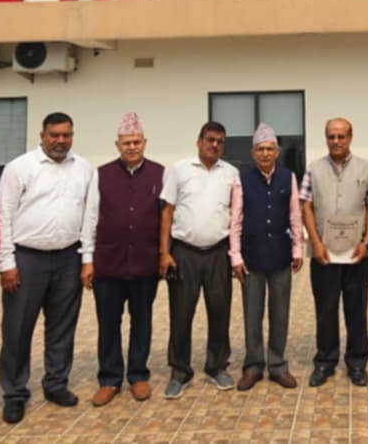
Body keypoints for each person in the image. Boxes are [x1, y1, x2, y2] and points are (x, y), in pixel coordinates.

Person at [0, 112, 95, 423]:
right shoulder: (19, 168)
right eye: (54, 135)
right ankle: (14, 393)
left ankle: (56, 384)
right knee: (17, 329)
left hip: (68, 258)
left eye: (66, 135)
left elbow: (89, 217)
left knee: (62, 327)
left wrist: (87, 259)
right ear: (42, 135)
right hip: (27, 259)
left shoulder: (84, 169)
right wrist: (6, 262)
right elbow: (3, 216)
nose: (60, 141)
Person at [80, 113, 165, 406]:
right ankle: (109, 378)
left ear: (145, 143)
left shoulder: (159, 173)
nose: (132, 147)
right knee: (108, 323)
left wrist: (163, 254)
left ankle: (138, 375)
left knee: (142, 320)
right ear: (117, 144)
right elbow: (90, 218)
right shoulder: (101, 174)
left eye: (136, 142)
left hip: (144, 263)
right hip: (109, 262)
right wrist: (88, 259)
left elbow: (166, 218)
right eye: (126, 142)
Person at [159, 121, 241, 399]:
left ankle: (217, 366)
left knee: (220, 311)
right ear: (199, 141)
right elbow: (167, 212)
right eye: (210, 139)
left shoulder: (231, 173)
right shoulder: (179, 170)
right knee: (181, 314)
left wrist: (235, 254)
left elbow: (236, 216)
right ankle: (179, 371)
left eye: (220, 141)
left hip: (218, 253)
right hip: (185, 253)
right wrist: (164, 252)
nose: (214, 145)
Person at [299, 117, 368, 388]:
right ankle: (325, 361)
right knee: (326, 309)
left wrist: (366, 242)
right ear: (326, 138)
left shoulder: (366, 168)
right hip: (324, 254)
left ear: (350, 137)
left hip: (356, 254)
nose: (336, 141)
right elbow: (306, 205)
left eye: (341, 136)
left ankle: (357, 362)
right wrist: (315, 242)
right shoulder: (314, 169)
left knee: (356, 310)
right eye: (331, 136)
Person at [230, 123, 306, 390]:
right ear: (253, 153)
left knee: (280, 313)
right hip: (251, 258)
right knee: (253, 314)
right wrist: (235, 256)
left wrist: (298, 248)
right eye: (260, 149)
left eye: (269, 149)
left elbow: (295, 215)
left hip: (281, 256)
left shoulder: (288, 177)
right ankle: (253, 365)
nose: (265, 153)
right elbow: (235, 220)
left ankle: (277, 365)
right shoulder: (242, 179)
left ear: (277, 152)